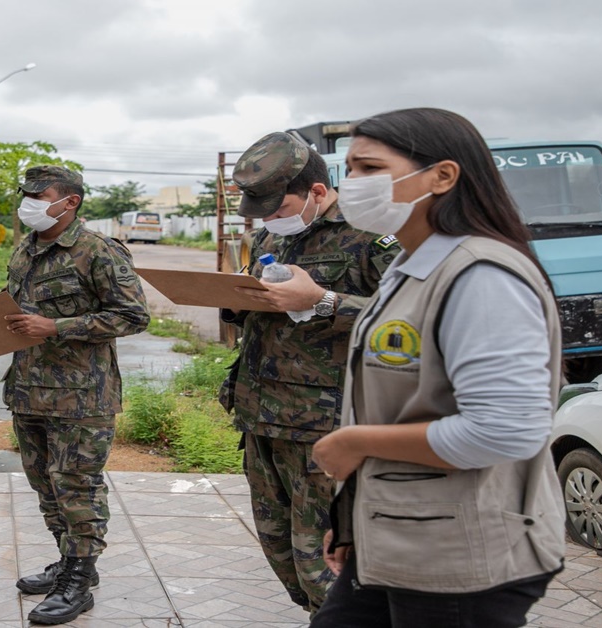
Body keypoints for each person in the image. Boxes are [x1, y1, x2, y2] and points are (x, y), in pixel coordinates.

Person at [310, 108, 565, 628]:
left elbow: (505, 430)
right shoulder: (411, 266)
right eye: (349, 170)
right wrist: (357, 519)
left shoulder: (481, 276)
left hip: (459, 555)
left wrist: (356, 441)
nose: (352, 184)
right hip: (402, 533)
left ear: (443, 176)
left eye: (370, 169)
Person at [0, 165, 150, 625]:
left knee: (76, 486)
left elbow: (134, 316)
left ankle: (79, 580)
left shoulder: (97, 250)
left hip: (81, 397)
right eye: (26, 195)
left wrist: (56, 326)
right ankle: (70, 560)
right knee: (46, 486)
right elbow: (9, 311)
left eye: (39, 196)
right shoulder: (26, 249)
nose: (28, 203)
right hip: (28, 390)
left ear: (70, 202)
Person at [222, 132, 398, 615]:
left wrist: (325, 301)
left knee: (322, 557)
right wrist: (237, 302)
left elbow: (413, 320)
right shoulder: (271, 235)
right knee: (280, 548)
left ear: (318, 192)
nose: (268, 220)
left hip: (325, 425)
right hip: (261, 415)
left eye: (278, 207)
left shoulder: (373, 235)